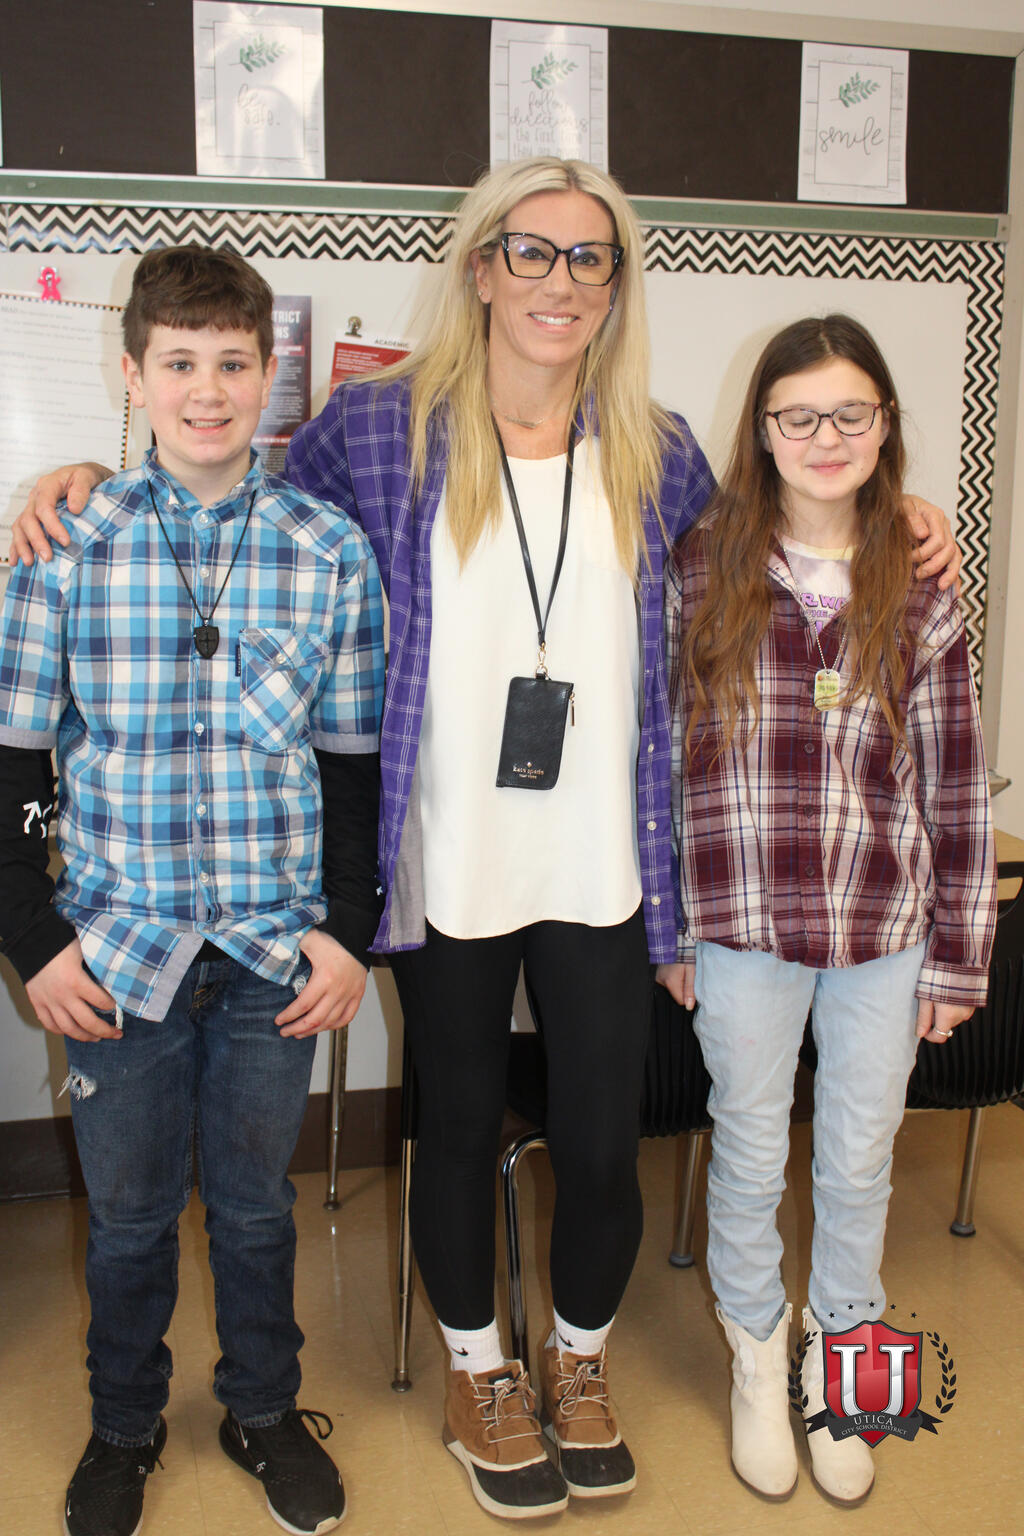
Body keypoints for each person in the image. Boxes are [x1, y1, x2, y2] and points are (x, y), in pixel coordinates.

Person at [8, 161, 962, 1526]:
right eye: (532, 252)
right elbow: (230, 498)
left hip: (605, 865)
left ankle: (576, 1361)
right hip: (443, 862)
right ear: (481, 268)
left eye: (590, 258)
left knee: (600, 1141)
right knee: (453, 1129)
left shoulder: (659, 449)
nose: (559, 281)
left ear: (615, 287)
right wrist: (90, 473)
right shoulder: (377, 429)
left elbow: (773, 546)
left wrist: (900, 510)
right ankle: (478, 1375)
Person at [0, 246, 386, 1536]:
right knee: (127, 1220)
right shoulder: (64, 546)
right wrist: (34, 941)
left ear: (269, 374)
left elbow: (352, 769)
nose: (206, 391)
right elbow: (10, 768)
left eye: (231, 363)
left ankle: (262, 1411)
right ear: (133, 375)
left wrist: (348, 932)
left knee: (258, 1211)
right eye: (179, 363)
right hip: (116, 955)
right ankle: (123, 1428)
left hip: (275, 958)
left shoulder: (328, 552)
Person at [657, 314, 996, 1508]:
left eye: (850, 413)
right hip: (739, 922)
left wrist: (957, 960)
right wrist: (669, 928)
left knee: (858, 1158)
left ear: (884, 424)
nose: (825, 436)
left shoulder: (921, 580)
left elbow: (955, 780)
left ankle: (844, 1362)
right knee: (750, 1151)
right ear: (761, 430)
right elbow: (660, 757)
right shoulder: (700, 566)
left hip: (880, 928)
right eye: (797, 416)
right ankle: (758, 1354)